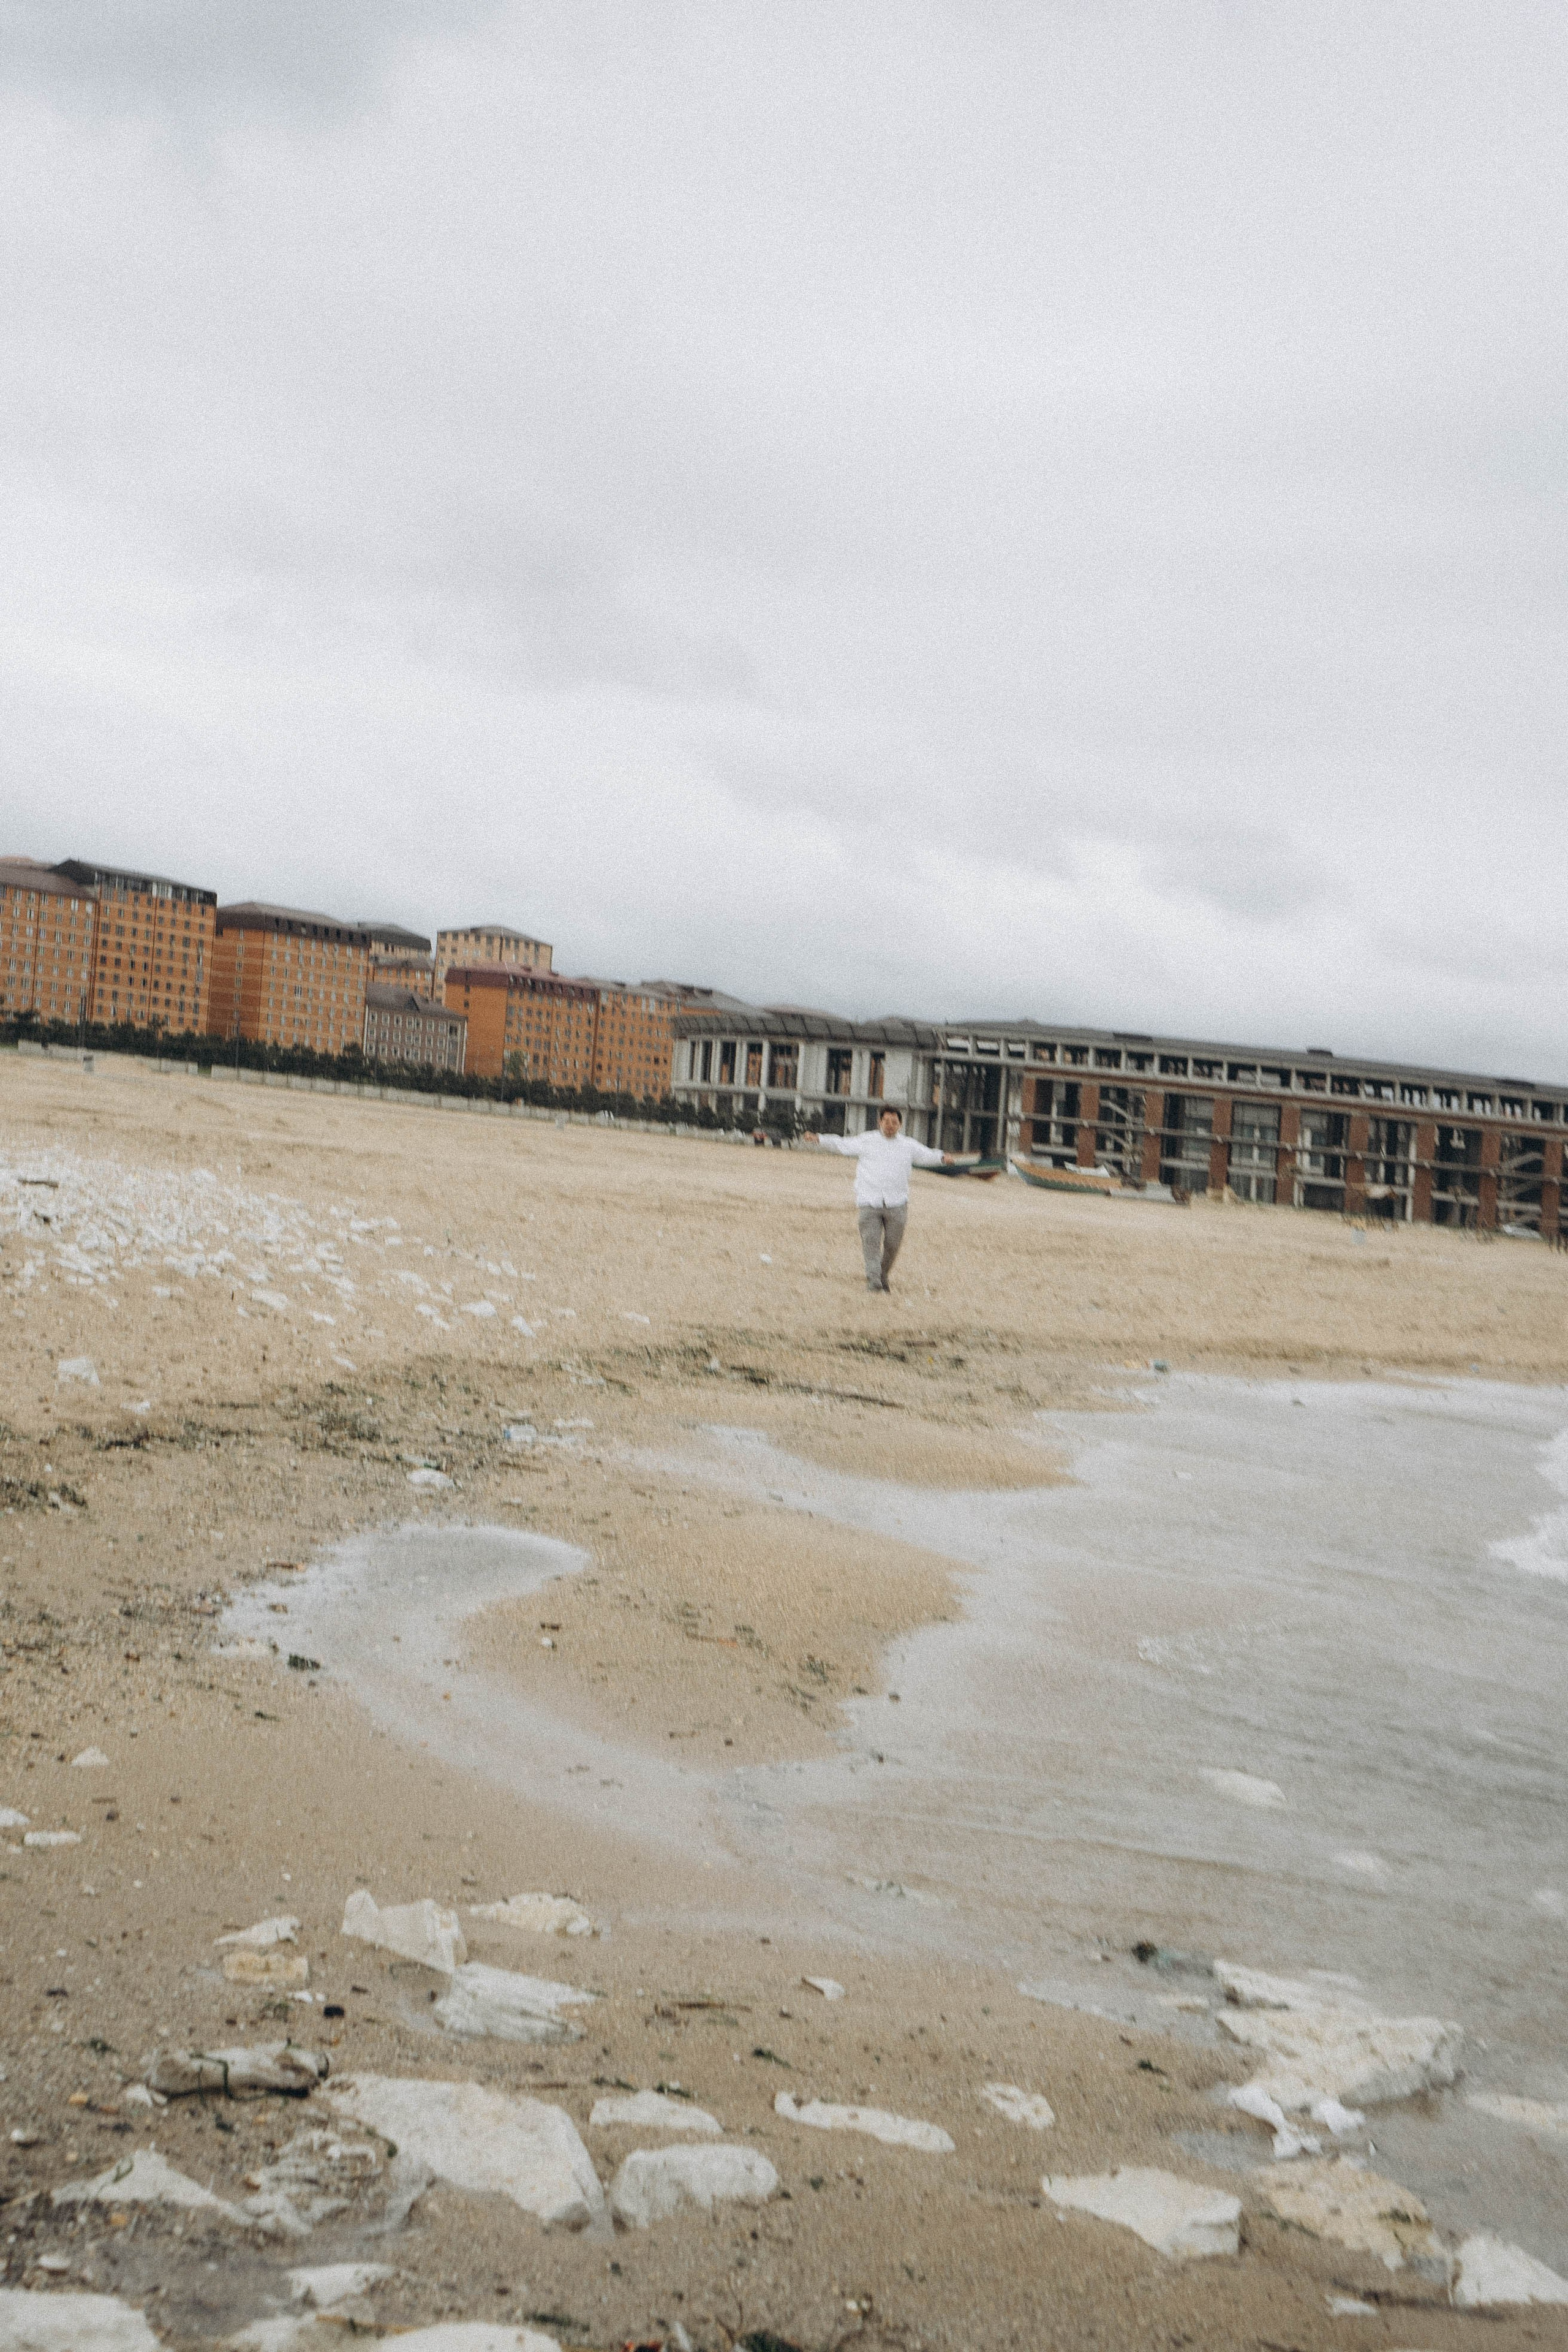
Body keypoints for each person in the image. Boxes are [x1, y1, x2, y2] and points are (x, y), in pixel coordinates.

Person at [802, 1104, 956, 1292]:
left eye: (894, 1122)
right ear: (880, 1122)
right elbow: (841, 1144)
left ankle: (883, 1276)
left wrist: (942, 1158)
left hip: (897, 1203)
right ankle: (874, 1282)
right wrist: (818, 1139)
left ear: (900, 1124)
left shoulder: (908, 1145)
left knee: (892, 1245)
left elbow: (927, 1155)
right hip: (869, 1201)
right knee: (871, 1243)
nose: (890, 1125)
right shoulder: (867, 1140)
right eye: (887, 1121)